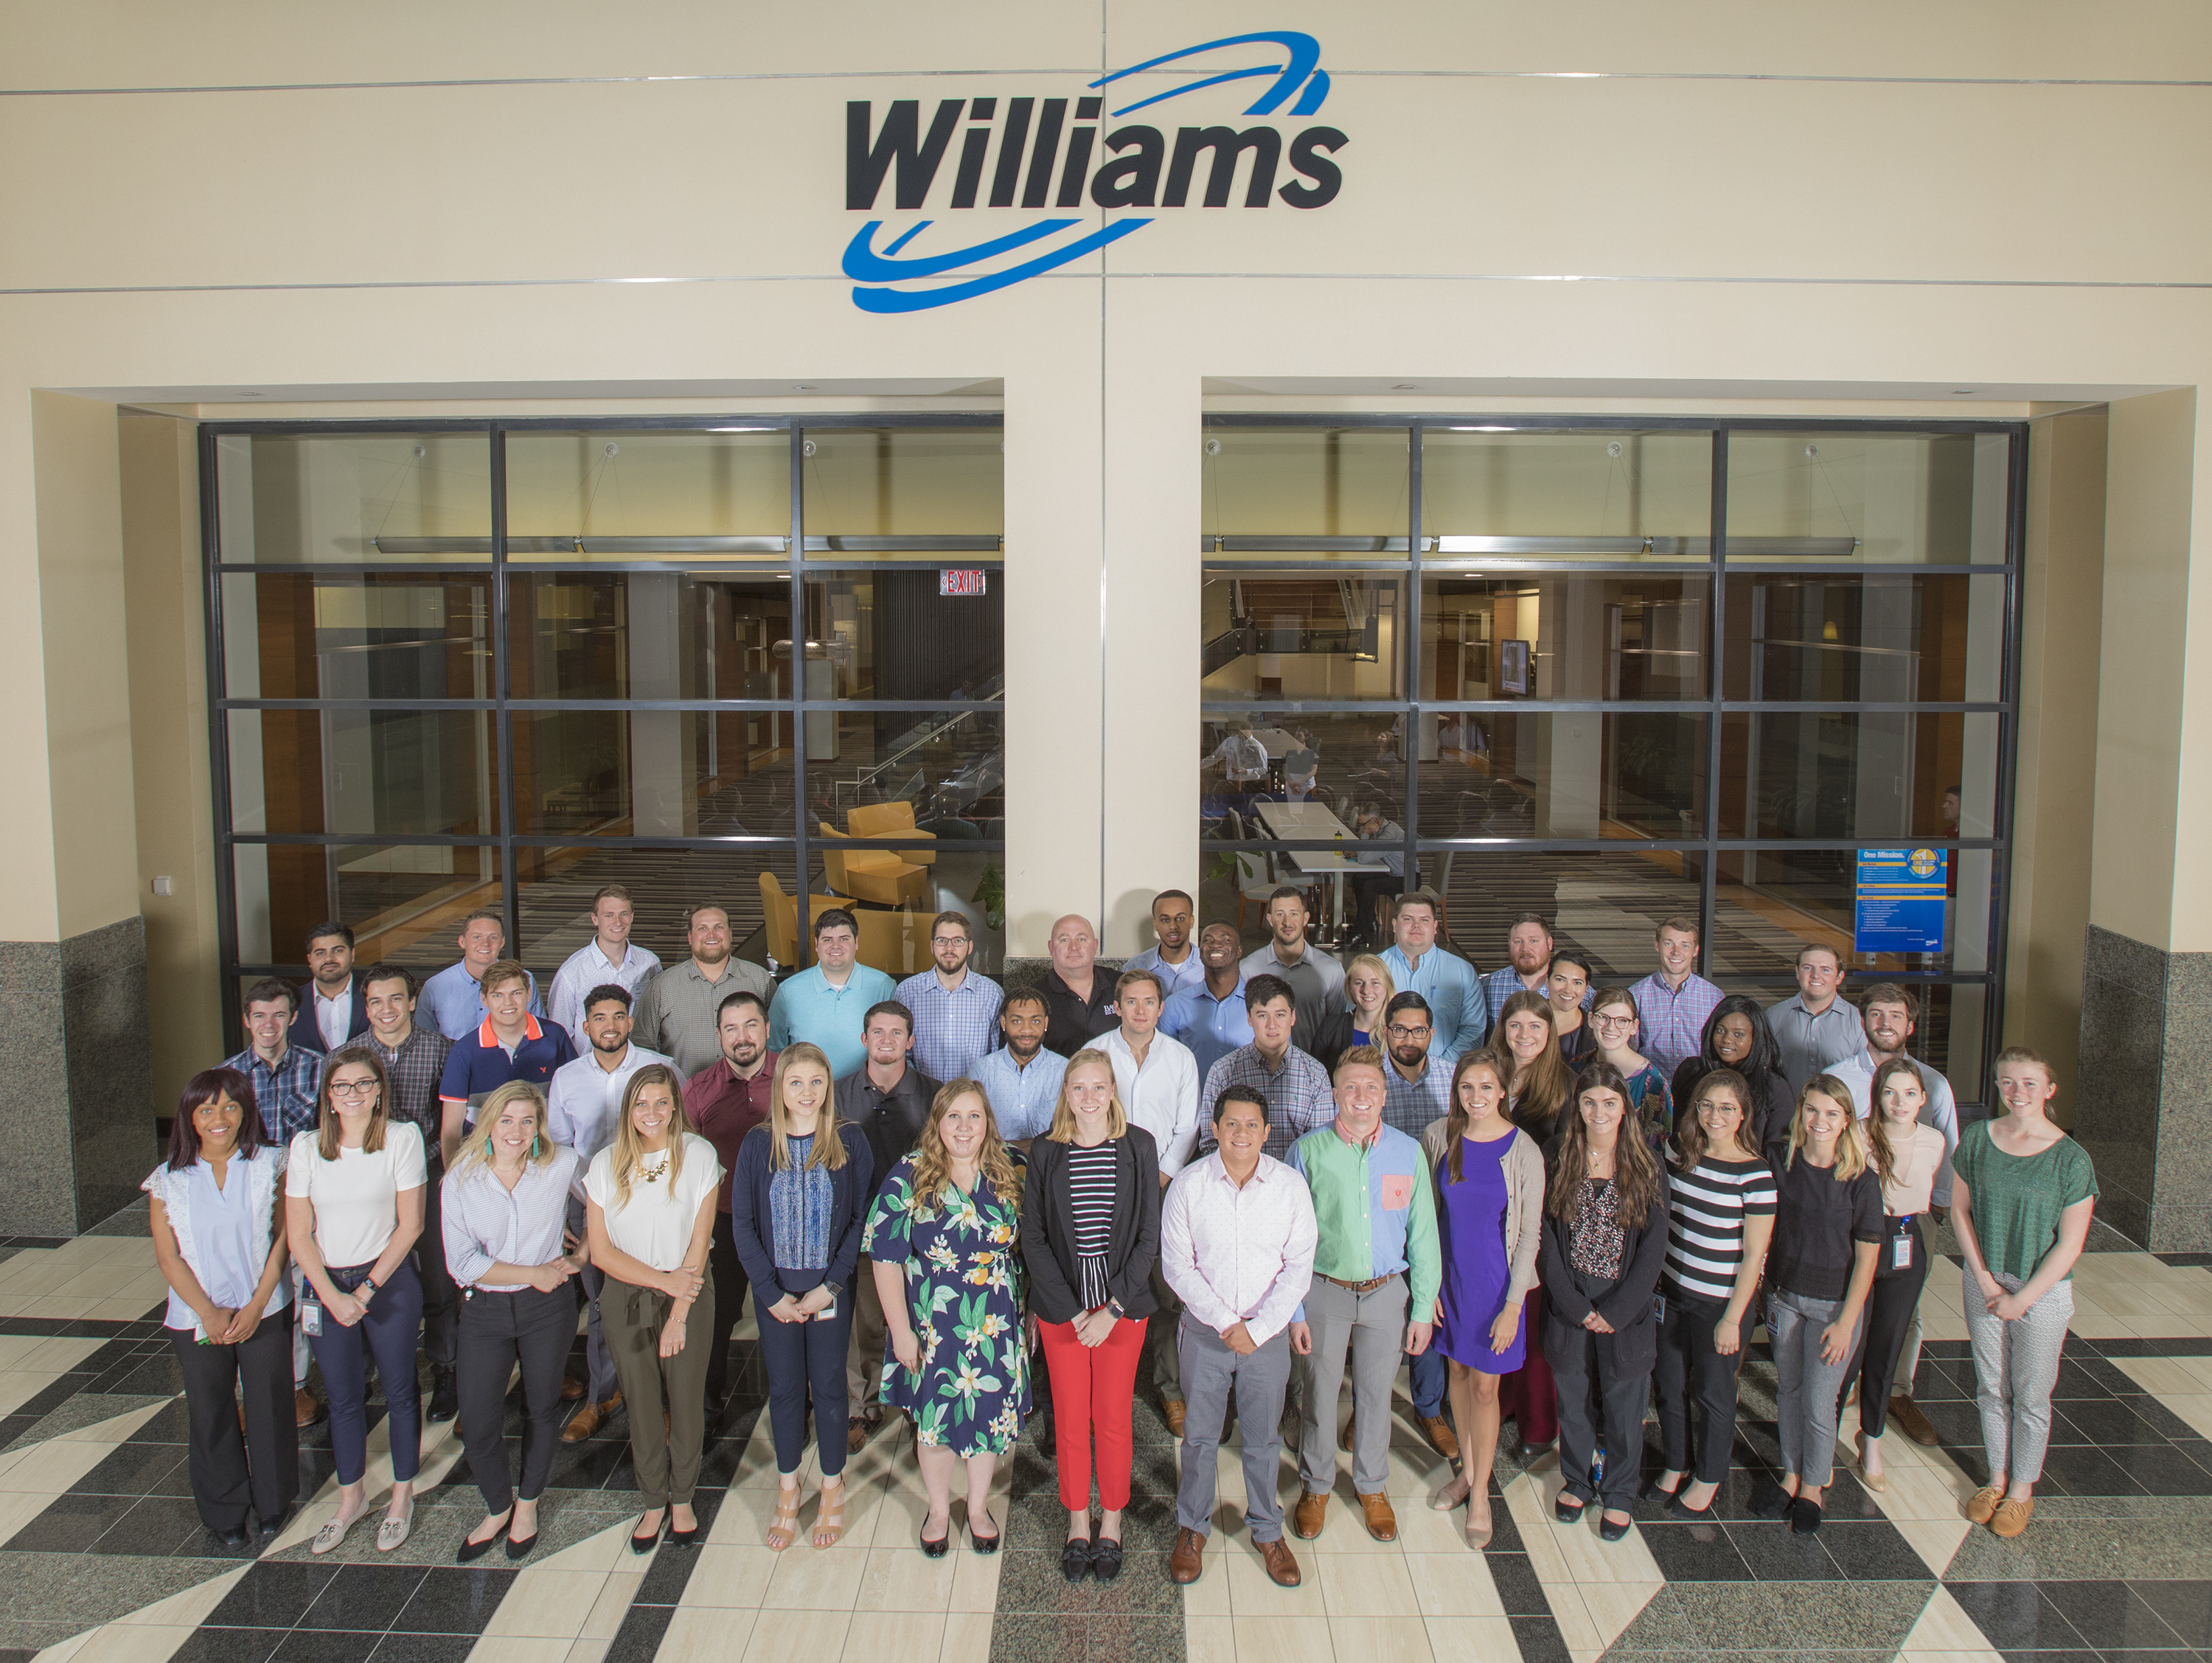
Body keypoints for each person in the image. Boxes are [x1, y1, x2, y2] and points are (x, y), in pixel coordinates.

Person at [865, 1080, 1030, 1555]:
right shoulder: (910, 1175)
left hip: (995, 1322)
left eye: (974, 1116)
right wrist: (900, 1330)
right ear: (937, 1122)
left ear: (988, 1123)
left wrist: (1032, 1310)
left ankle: (977, 1508)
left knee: (988, 1422)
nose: (964, 1127)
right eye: (953, 1116)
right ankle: (939, 1510)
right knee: (935, 1424)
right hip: (931, 1324)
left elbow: (1033, 1247)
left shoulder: (1011, 1170)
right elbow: (884, 1257)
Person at [1164, 1084, 1317, 1591]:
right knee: (1202, 1437)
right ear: (1215, 1129)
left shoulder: (1290, 1186)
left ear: (1267, 1132)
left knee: (1263, 1439)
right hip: (1206, 1334)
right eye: (1232, 1124)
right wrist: (1225, 1322)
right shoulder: (1188, 1185)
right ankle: (1192, 1528)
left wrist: (1256, 1327)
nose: (1242, 1133)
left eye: (1252, 1125)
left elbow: (1298, 1268)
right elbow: (1177, 1268)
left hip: (1266, 1337)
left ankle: (1267, 1530)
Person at [1287, 1047, 1441, 1546]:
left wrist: (1421, 1308)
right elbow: (1288, 1236)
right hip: (1325, 1291)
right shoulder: (1308, 1151)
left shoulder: (1406, 1151)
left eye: (1371, 1087)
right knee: (1320, 1395)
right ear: (1334, 1093)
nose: (1361, 1096)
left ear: (1384, 1094)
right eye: (1350, 1086)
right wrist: (1293, 1310)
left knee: (1377, 1395)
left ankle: (1373, 1487)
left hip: (1385, 1295)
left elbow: (1424, 1236)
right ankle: (1318, 1486)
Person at [1020, 1050, 1162, 1584]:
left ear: (1112, 1091)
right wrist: (1078, 1311)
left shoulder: (1138, 1146)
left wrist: (1113, 1311)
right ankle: (1078, 1520)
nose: (1088, 1098)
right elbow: (1032, 1236)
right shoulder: (1046, 1151)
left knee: (1112, 1417)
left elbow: (1149, 1235)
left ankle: (1112, 1521)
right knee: (1072, 1417)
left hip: (1123, 1310)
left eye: (1097, 1087)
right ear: (1065, 1093)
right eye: (1077, 1088)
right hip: (1064, 1309)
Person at [729, 1044, 875, 1552]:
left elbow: (860, 1220)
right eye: (796, 1083)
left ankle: (832, 1489)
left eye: (817, 1082)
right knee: (787, 1391)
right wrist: (770, 1294)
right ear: (780, 1088)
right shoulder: (758, 1144)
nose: (807, 1093)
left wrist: (828, 1287)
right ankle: (788, 1490)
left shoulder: (850, 1140)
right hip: (776, 1297)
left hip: (828, 1291)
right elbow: (744, 1225)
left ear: (828, 1087)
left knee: (831, 1389)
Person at [1950, 1047, 2098, 1541]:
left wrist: (2023, 1297)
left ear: (2050, 1090)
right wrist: (1987, 1280)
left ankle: (2021, 1490)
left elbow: (2071, 1242)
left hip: (2043, 1291)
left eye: (2029, 1083)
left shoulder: (2071, 1159)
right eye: (2007, 1082)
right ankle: (1994, 1480)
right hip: (1985, 1280)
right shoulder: (1977, 1138)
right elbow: (1959, 1212)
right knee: (1992, 1386)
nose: (2017, 1092)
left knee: (2032, 1394)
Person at [285, 1045, 427, 1555]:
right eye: (343, 1086)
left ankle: (401, 1497)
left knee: (400, 1389)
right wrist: (331, 1295)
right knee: (344, 1399)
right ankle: (351, 1500)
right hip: (326, 1287)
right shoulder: (305, 1149)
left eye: (364, 1084)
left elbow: (411, 1224)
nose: (354, 1094)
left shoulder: (400, 1139)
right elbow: (299, 1235)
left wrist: (364, 1291)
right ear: (328, 1095)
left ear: (379, 1091)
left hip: (386, 1284)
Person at [146, 1067, 296, 1549]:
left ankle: (274, 1503)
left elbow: (285, 1239)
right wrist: (209, 1314)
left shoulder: (272, 1164)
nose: (219, 1117)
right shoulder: (168, 1180)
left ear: (246, 1111)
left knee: (269, 1405)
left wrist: (256, 1306)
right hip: (196, 1316)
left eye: (230, 1106)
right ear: (190, 1116)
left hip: (264, 1307)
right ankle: (224, 1510)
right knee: (211, 1411)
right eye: (207, 1108)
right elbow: (167, 1255)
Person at [443, 1081, 584, 1563]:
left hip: (548, 1310)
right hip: (484, 1310)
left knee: (541, 1409)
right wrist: (534, 1272)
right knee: (479, 1422)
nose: (517, 1131)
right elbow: (461, 1262)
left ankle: (527, 1505)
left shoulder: (560, 1163)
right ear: (489, 1123)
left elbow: (605, 1201)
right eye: (507, 1120)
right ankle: (498, 1505)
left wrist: (584, 1254)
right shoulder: (461, 1177)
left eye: (528, 1121)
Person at [583, 1064, 722, 1552]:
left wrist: (678, 1312)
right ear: (628, 1110)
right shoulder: (605, 1164)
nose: (652, 1112)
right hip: (627, 1292)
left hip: (688, 1290)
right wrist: (659, 1282)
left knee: (685, 1400)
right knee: (640, 1402)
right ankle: (652, 1501)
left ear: (675, 1106)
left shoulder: (698, 1155)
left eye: (661, 1102)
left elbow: (700, 1241)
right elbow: (600, 1253)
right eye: (641, 1103)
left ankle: (682, 1498)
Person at [1826, 983, 1964, 1449]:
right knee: (1850, 1306)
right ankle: (1839, 1395)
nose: (1886, 1023)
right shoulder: (1840, 1076)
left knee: (1905, 1312)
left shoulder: (1935, 1084)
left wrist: (1934, 1212)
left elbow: (1946, 1154)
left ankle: (1895, 1394)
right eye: (1877, 1014)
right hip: (1853, 1216)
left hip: (1912, 1217)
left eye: (1896, 1016)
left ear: (1911, 1023)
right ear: (1862, 1019)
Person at [1537, 1061, 1669, 1542]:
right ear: (1577, 1107)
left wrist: (1617, 1309)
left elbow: (1655, 1248)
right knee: (1573, 1402)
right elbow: (1545, 1239)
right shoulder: (1558, 1156)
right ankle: (1577, 1480)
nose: (1599, 1112)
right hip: (1570, 1302)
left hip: (1624, 1307)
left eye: (1609, 1103)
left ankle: (1618, 1491)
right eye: (1589, 1102)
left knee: (1623, 1404)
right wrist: (1572, 1304)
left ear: (1625, 1110)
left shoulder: (1647, 1165)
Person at [1419, 1048, 1543, 1549]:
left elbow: (1530, 1236)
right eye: (1467, 1088)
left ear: (1503, 1091)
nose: (1476, 1097)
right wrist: (1427, 1289)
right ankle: (1468, 1472)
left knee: (1487, 1389)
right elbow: (1425, 1221)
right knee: (1458, 1375)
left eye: (1486, 1088)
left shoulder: (1524, 1150)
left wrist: (1513, 1307)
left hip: (1497, 1289)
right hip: (1452, 1283)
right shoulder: (1439, 1136)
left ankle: (1481, 1494)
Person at [545, 984, 674, 1442]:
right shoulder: (566, 1078)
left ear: (630, 1021)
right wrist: (563, 1208)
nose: (610, 1026)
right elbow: (559, 1150)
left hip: (654, 1208)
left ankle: (661, 1402)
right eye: (600, 1018)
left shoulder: (660, 1069)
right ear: (585, 1025)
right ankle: (602, 1397)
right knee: (603, 1306)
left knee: (660, 1303)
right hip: (590, 1208)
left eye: (619, 1017)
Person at [1648, 1069, 1776, 1518]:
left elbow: (1755, 1256)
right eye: (1706, 1105)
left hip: (1719, 1303)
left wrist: (1733, 1318)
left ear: (1743, 1115)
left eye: (1726, 1108)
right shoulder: (1679, 1152)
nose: (1714, 1116)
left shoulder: (1756, 1175)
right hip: (1670, 1293)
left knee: (1714, 1394)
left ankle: (1708, 1477)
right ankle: (1677, 1463)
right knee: (1668, 1385)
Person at [1764, 1074, 1882, 1536]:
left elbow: (1868, 1257)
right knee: (1789, 1389)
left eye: (1832, 1113)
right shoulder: (1781, 1159)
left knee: (1819, 1399)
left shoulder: (1860, 1180)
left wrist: (1847, 1322)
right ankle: (1791, 1476)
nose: (1820, 1120)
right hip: (1783, 1297)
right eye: (1812, 1110)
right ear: (1800, 1113)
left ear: (1846, 1120)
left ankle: (1814, 1487)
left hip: (1833, 1307)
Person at [835, 1000, 944, 1451]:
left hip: (921, 1231)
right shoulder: (837, 1094)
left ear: (910, 1041)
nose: (886, 1040)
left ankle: (919, 1405)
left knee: (921, 1318)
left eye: (896, 1033)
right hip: (858, 1228)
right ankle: (861, 1405)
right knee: (863, 1321)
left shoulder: (935, 1095)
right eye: (877, 1032)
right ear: (864, 1040)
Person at [355, 963, 461, 1425]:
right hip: (370, 1185)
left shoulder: (442, 1051)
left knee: (439, 1281)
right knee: (369, 1274)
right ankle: (368, 1376)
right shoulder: (349, 1057)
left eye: (395, 999)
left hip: (431, 1175)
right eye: (376, 1002)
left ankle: (446, 1371)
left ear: (413, 1001)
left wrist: (423, 1161)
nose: (387, 1010)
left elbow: (452, 1122)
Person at [225, 977, 330, 1428]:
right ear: (247, 1021)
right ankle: (254, 1389)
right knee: (254, 1290)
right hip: (250, 1202)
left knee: (303, 1291)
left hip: (308, 1198)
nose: (270, 1025)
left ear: (293, 1018)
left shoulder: (320, 1068)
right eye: (260, 1016)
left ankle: (297, 1386)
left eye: (279, 1015)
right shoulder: (227, 1077)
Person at [1098, 968, 1200, 1435]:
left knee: (1163, 1288)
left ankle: (1169, 1389)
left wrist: (1160, 1174)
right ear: (1117, 1006)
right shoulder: (1094, 1053)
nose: (1140, 1010)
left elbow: (1189, 1126)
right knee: (1099, 1279)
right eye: (1131, 1002)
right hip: (1102, 1186)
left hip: (1161, 1186)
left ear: (1161, 1008)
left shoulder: (1180, 1058)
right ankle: (1099, 1386)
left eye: (1149, 1002)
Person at [1847, 1057, 1950, 1496]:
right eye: (1890, 1092)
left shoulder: (1935, 1140)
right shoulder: (1857, 1133)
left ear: (1923, 1099)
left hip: (1908, 1243)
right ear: (1877, 1094)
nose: (1900, 1101)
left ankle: (1871, 1441)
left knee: (1887, 1347)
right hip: (1863, 1240)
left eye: (1910, 1093)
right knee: (1850, 1344)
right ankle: (1822, 1438)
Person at [683, 989, 777, 1421]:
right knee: (716, 1319)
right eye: (731, 1028)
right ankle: (705, 1406)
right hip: (723, 1220)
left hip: (785, 1221)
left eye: (751, 1025)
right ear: (719, 1035)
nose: (742, 1037)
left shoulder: (796, 1078)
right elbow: (682, 1163)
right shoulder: (699, 1090)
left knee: (785, 1316)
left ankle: (794, 1403)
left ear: (767, 1029)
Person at [1494, 989, 1573, 1461]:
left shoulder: (1566, 1085)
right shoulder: (1488, 1074)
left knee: (1534, 1326)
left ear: (1551, 1033)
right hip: (1490, 1220)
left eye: (1536, 1027)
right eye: (1516, 1025)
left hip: (1538, 1225)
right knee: (1498, 1314)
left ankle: (1539, 1426)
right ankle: (1501, 1401)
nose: (1525, 1036)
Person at [1195, 974, 1334, 1162]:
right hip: (1237, 1185)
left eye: (1280, 1015)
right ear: (1249, 1018)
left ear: (1293, 1017)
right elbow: (1211, 1143)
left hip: (1297, 1184)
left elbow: (1320, 1146)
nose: (1272, 1025)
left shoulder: (1316, 1074)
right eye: (1262, 1015)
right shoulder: (1223, 1071)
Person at [633, 903, 773, 1079]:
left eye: (719, 927)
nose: (711, 935)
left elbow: (777, 1040)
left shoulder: (760, 980)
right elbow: (641, 1046)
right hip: (683, 1098)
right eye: (702, 929)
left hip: (750, 1096)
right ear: (690, 937)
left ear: (730, 934)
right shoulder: (662, 986)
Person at [438, 959, 576, 1128]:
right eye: (497, 995)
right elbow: (451, 1127)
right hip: (483, 1151)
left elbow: (575, 1101)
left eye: (516, 993)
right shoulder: (463, 1051)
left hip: (547, 1148)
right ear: (484, 999)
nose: (508, 1003)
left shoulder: (555, 1037)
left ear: (529, 993)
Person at [768, 910, 897, 1080]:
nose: (836, 946)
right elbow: (774, 1053)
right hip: (807, 1097)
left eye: (844, 939)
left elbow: (897, 1047)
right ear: (816, 944)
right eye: (827, 940)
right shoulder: (788, 992)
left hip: (868, 1096)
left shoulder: (884, 987)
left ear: (856, 942)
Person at [1672, 996, 1795, 1156]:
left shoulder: (1775, 1088)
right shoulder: (1690, 1072)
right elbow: (1675, 1134)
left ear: (1755, 1038)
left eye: (1739, 1034)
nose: (1726, 1040)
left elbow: (1779, 1154)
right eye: (1721, 1030)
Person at [894, 911, 1004, 1083]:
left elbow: (998, 1056)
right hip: (923, 1099)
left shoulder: (992, 994)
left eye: (958, 941)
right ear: (932, 946)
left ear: (970, 947)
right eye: (941, 940)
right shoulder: (907, 992)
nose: (949, 948)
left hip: (974, 1100)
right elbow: (900, 1054)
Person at [547, 885, 664, 1041]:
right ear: (595, 919)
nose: (618, 922)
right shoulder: (571, 973)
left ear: (632, 917)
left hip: (640, 1061)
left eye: (624, 914)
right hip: (590, 1063)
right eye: (609, 915)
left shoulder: (650, 964)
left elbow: (659, 1017)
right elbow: (559, 1035)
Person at [1380, 892, 1484, 1061]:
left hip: (1446, 1077)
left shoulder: (1462, 971)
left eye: (1424, 920)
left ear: (1435, 927)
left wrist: (1440, 1070)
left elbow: (1473, 1031)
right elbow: (1359, 1025)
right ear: (1394, 925)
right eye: (1408, 919)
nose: (1416, 926)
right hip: (1384, 1076)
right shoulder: (1375, 969)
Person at [1242, 888, 1346, 1042]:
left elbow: (1337, 1028)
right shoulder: (1248, 969)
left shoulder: (1331, 970)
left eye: (1294, 914)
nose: (1287, 922)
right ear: (1270, 920)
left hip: (1314, 1062)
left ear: (1305, 918)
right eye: (1280, 914)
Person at [1626, 916, 1723, 1081]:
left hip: (1699, 1088)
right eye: (1669, 943)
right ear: (1657, 945)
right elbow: (1628, 1051)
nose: (1676, 952)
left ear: (1695, 951)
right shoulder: (1636, 995)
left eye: (1685, 945)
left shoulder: (1714, 998)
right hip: (1651, 1089)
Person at [422, 910, 544, 1041]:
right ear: (462, 942)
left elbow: (539, 1030)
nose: (485, 943)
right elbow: (424, 1040)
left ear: (502, 943)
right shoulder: (434, 986)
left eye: (493, 937)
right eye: (477, 937)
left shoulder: (524, 980)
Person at [970, 986, 1065, 1148]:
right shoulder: (981, 1072)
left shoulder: (1066, 1071)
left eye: (1035, 1021)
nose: (1026, 1030)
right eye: (1017, 1021)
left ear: (1046, 1023)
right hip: (994, 1164)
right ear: (1003, 1023)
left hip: (1051, 1166)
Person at [1160, 922, 1253, 1081]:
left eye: (1225, 940)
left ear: (1239, 951)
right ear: (1200, 952)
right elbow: (1165, 1067)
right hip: (1194, 1105)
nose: (1216, 945)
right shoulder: (1175, 1006)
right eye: (1208, 941)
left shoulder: (1261, 1006)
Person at [1767, 944, 1860, 1097]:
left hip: (1839, 1117)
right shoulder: (1774, 1016)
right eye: (1808, 968)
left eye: (1825, 969)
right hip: (1788, 1117)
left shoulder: (1858, 1021)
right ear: (1797, 972)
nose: (1816, 975)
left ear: (1839, 977)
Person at [1587, 986, 1672, 1151]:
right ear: (1591, 1019)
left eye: (1622, 1021)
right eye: (1603, 1018)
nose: (1611, 1028)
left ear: (1634, 1026)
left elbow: (1656, 1151)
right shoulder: (1578, 1066)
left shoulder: (1653, 1083)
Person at [1038, 915, 1118, 1056]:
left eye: (1081, 939)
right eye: (1064, 940)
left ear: (1095, 946)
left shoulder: (1123, 986)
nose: (1073, 947)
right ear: (1051, 948)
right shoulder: (1034, 998)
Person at [1379, 992, 1453, 1136]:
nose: (1409, 1041)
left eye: (1419, 1031)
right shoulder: (1366, 1077)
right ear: (1385, 1032)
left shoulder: (1453, 1077)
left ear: (1431, 1034)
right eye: (1399, 1030)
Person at [1479, 913, 1562, 1041]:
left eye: (1534, 941)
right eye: (1518, 942)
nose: (1526, 948)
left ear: (1549, 943)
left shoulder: (1573, 991)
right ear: (1509, 944)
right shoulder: (1489, 986)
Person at [291, 921, 368, 1055]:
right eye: (320, 953)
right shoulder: (291, 1002)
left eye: (338, 951)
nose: (329, 959)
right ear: (310, 959)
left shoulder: (372, 995)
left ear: (352, 954)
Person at [1126, 889, 1206, 1002]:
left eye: (1180, 918)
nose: (1173, 926)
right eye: (1165, 920)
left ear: (1191, 921)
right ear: (1155, 924)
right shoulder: (1135, 968)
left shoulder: (1209, 967)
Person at [1346, 802, 1407, 947]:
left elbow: (1364, 858)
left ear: (1374, 821)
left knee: (1370, 886)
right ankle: (1369, 921)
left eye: (1363, 825)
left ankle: (1361, 933)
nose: (1362, 828)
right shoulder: (1382, 829)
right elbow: (1367, 854)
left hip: (1406, 878)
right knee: (1360, 877)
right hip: (1392, 873)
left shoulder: (1389, 835)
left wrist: (1366, 835)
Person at [1548, 947, 1597, 1067]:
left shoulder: (1597, 1033)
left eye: (1577, 983)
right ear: (1547, 981)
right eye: (1560, 980)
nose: (1568, 990)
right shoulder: (1525, 1019)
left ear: (1586, 988)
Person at [1200, 719, 1269, 803]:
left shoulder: (1257, 747)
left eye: (1245, 733)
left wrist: (1247, 771)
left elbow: (1264, 769)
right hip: (1231, 782)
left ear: (1251, 732)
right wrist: (1199, 766)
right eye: (1240, 732)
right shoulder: (1230, 741)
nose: (1242, 735)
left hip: (1250, 783)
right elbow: (1215, 757)